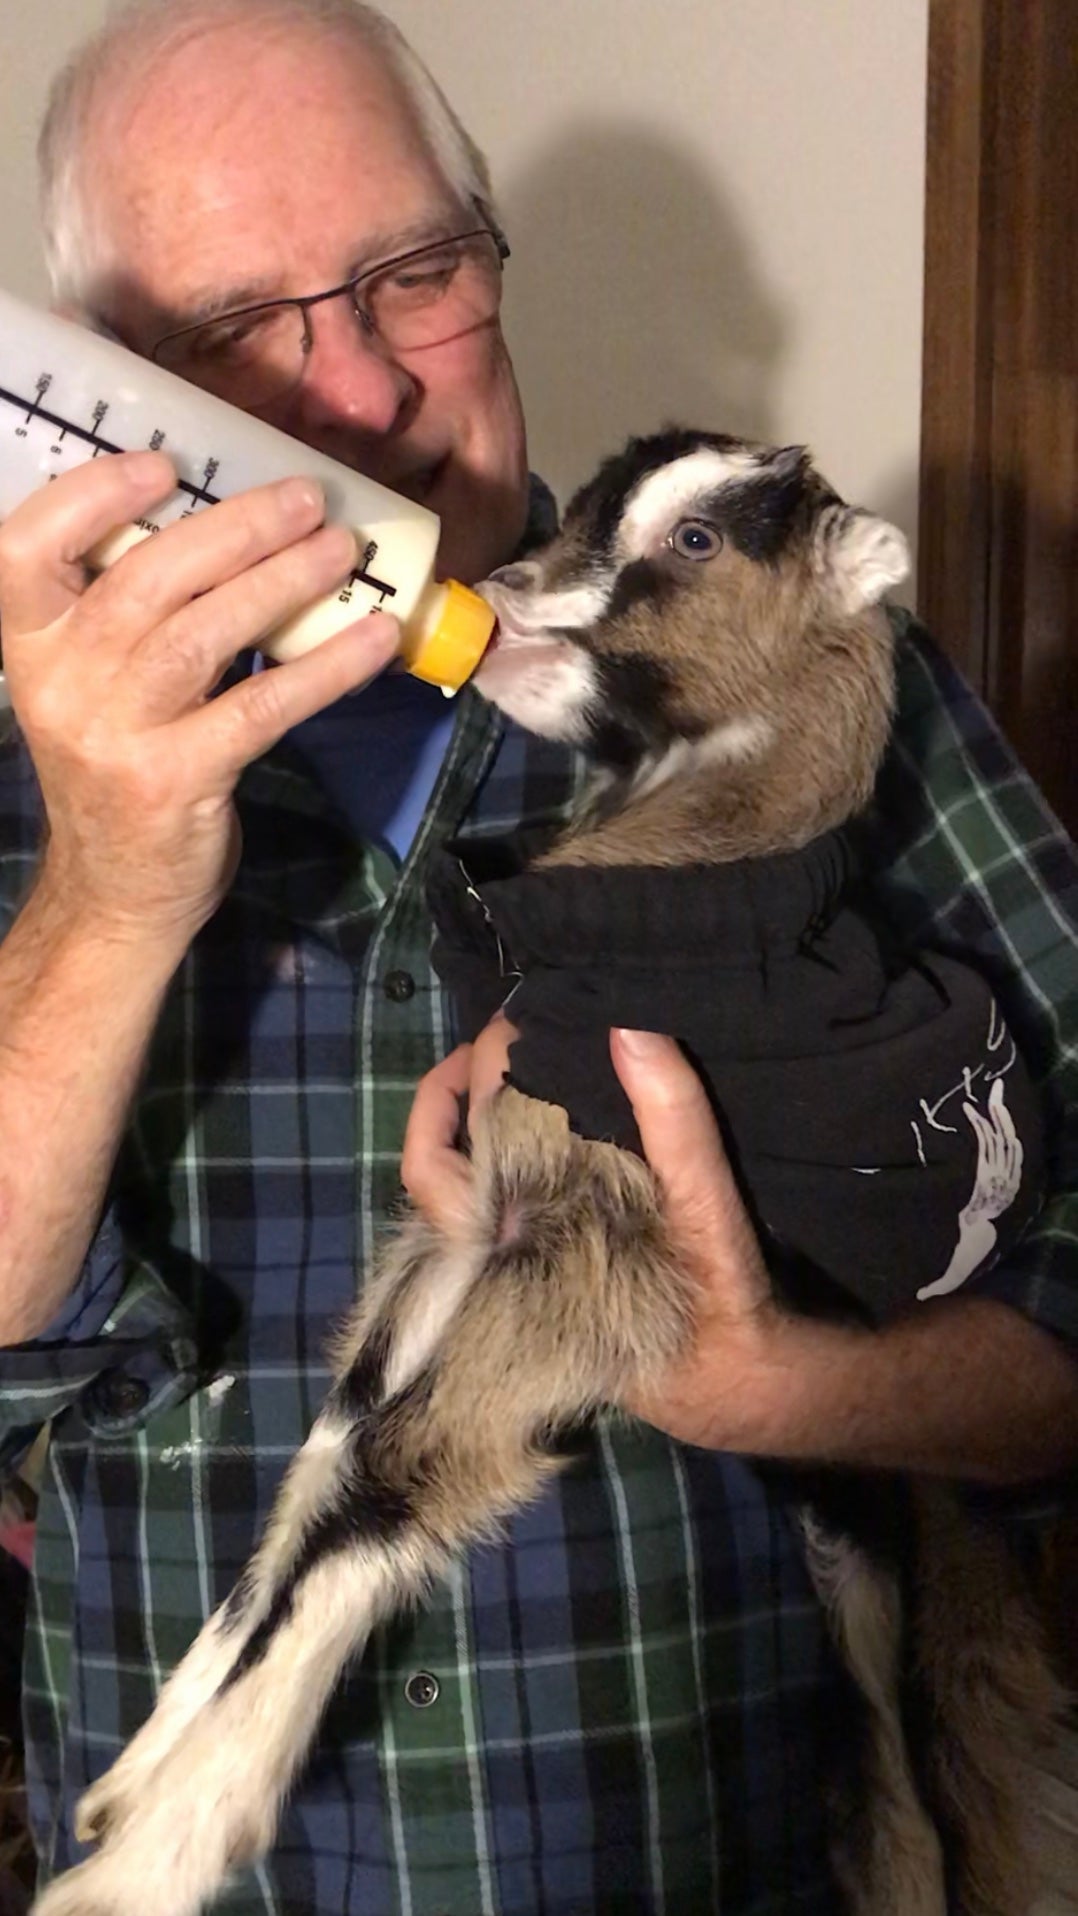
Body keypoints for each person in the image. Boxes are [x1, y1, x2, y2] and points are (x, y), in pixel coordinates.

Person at [0, 2, 1075, 1910]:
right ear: (103, 391)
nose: (345, 399)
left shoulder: (818, 682)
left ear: (490, 263)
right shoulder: (20, 754)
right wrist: (103, 891)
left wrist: (783, 1390)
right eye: (223, 333)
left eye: (408, 273)